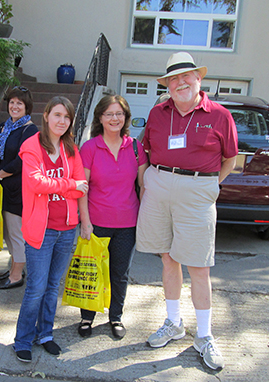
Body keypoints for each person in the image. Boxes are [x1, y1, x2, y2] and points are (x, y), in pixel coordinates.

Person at [136, 52, 238, 370]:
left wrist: (208, 186)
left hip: (198, 190)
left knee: (199, 267)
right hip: (160, 184)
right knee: (168, 258)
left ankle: (204, 336)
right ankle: (173, 322)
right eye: (173, 79)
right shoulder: (157, 113)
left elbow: (230, 159)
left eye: (186, 76)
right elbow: (145, 149)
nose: (180, 82)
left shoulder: (220, 115)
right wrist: (146, 181)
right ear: (167, 84)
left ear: (199, 79)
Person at [14, 96, 88, 363]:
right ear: (46, 116)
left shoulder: (71, 148)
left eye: (67, 117)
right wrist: (69, 185)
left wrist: (69, 187)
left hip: (67, 229)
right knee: (36, 287)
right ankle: (22, 339)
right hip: (41, 230)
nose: (62, 121)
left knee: (53, 286)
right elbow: (36, 183)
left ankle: (45, 334)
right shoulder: (31, 146)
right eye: (57, 115)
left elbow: (82, 183)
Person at [77, 95, 148, 339]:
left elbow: (143, 185)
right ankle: (87, 316)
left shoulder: (136, 148)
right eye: (109, 114)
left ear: (126, 118)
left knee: (119, 273)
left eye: (119, 114)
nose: (114, 118)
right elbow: (82, 188)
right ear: (100, 117)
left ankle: (115, 316)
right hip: (96, 222)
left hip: (127, 223)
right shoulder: (89, 147)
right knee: (92, 271)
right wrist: (85, 222)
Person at [0, 86, 38, 289]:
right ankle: (14, 267)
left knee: (16, 235)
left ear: (27, 107)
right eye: (12, 102)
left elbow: (22, 161)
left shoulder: (30, 130)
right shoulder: (1, 127)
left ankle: (16, 276)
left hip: (17, 191)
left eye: (20, 103)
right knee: (6, 233)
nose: (15, 106)